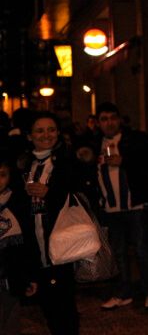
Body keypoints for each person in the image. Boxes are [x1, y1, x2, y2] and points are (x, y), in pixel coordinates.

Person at [93, 102, 148, 311]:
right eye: (104, 119)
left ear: (120, 119)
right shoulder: (94, 143)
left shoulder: (135, 139)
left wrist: (125, 160)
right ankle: (124, 291)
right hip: (110, 208)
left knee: (143, 250)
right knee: (118, 253)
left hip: (135, 205)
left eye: (112, 118)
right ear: (98, 123)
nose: (109, 123)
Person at [23, 112, 79, 335]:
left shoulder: (67, 160)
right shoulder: (25, 164)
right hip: (35, 242)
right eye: (40, 130)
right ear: (30, 136)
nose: (46, 135)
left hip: (62, 240)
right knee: (46, 303)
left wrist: (50, 193)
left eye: (51, 129)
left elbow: (80, 195)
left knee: (64, 303)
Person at [0, 159, 34, 335]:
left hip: (10, 276)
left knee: (11, 321)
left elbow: (27, 243)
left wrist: (28, 276)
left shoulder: (17, 202)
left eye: (2, 175)